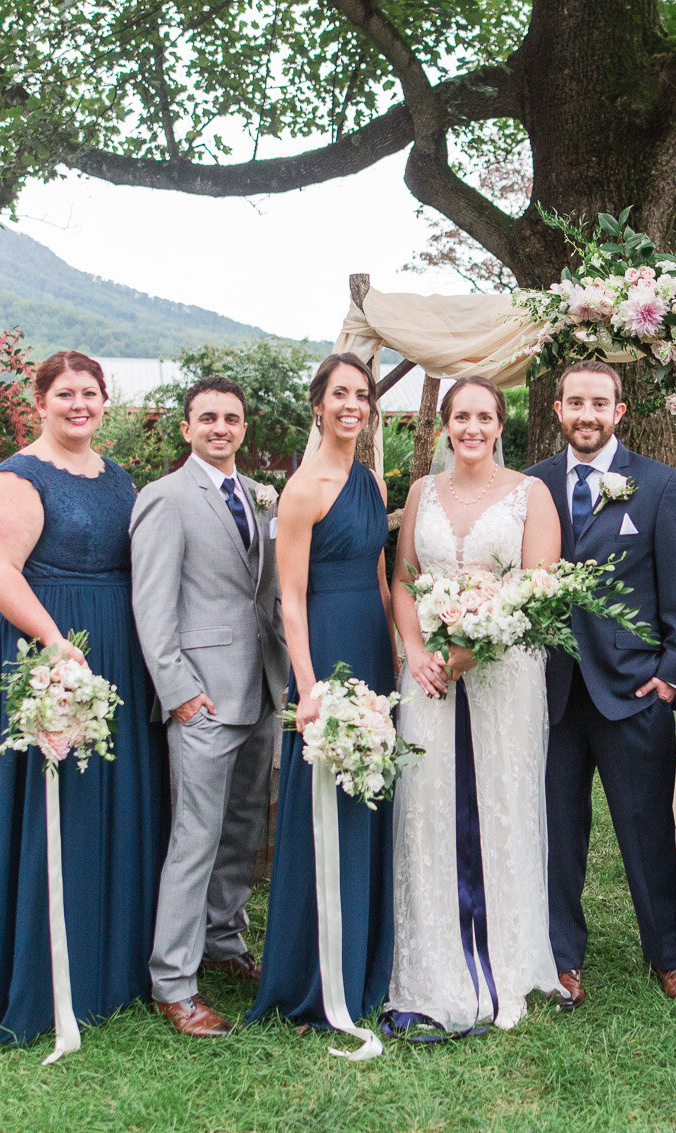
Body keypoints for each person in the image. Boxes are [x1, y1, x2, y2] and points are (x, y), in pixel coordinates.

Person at [0, 353, 168, 1043]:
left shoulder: (116, 476)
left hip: (116, 649)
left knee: (106, 801)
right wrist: (56, 643)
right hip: (48, 648)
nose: (78, 404)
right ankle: (33, 968)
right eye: (64, 393)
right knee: (49, 803)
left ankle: (106, 964)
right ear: (38, 401)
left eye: (89, 393)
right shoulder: (16, 478)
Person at [388, 376, 565, 1035]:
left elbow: (538, 589)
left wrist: (473, 647)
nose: (471, 426)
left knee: (500, 797)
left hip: (503, 674)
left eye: (482, 415)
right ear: (445, 424)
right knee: (431, 805)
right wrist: (417, 649)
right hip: (429, 671)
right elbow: (403, 579)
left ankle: (504, 956)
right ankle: (433, 954)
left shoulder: (529, 494)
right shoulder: (419, 493)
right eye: (459, 415)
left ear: (499, 424)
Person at [523, 361, 676, 1007]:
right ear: (559, 410)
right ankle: (563, 955)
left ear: (619, 412)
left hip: (633, 690)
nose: (587, 413)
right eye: (576, 402)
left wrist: (670, 679)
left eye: (599, 402)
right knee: (559, 830)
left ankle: (670, 953)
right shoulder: (534, 483)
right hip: (554, 690)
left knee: (646, 825)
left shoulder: (661, 486)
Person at [131, 376, 287, 1038]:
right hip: (202, 696)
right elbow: (151, 603)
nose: (221, 427)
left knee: (243, 828)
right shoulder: (164, 498)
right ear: (186, 428)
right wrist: (179, 691)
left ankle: (225, 939)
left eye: (232, 417)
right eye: (208, 418)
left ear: (243, 427)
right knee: (195, 833)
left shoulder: (259, 496)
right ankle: (173, 980)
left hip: (260, 690)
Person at [247, 354, 396, 1030]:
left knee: (372, 794)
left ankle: (368, 958)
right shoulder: (302, 489)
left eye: (361, 395)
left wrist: (396, 657)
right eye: (340, 393)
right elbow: (292, 600)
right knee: (322, 803)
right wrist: (308, 689)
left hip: (374, 644)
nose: (352, 406)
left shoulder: (372, 480)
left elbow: (385, 578)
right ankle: (312, 970)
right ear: (318, 404)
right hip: (328, 649)